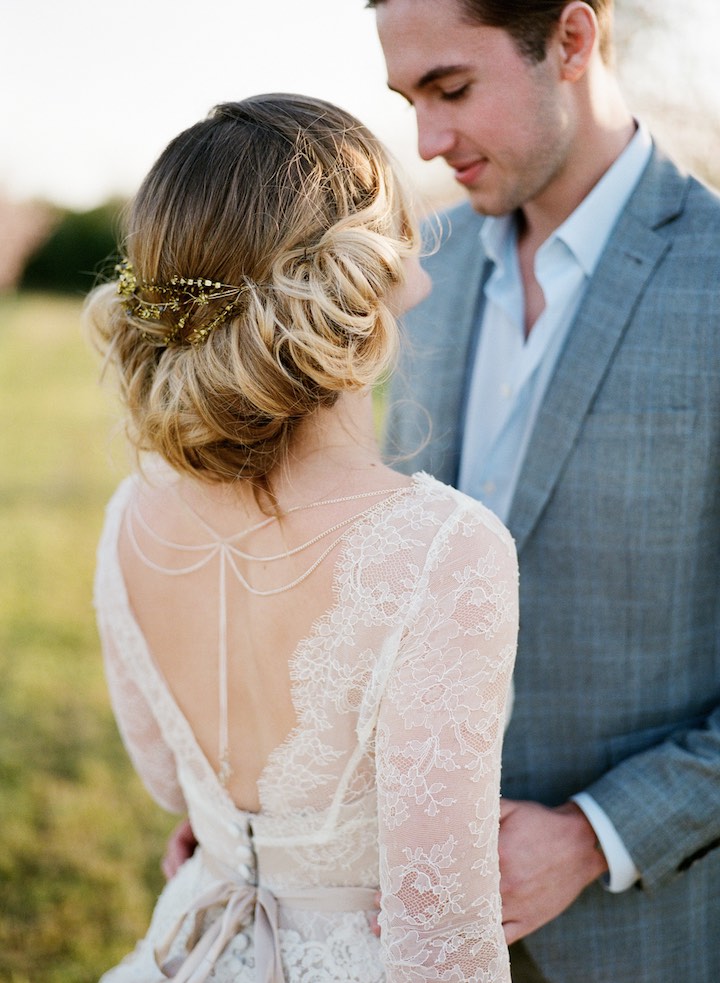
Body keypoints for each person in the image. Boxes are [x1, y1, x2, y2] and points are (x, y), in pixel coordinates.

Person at [87, 93, 519, 982]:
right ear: (371, 277)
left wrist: (241, 842)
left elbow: (174, 788)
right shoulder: (442, 549)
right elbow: (441, 933)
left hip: (188, 945)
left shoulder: (128, 518)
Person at [368, 0, 720, 981]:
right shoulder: (417, 272)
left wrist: (592, 833)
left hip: (650, 926)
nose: (429, 140)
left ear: (572, 40)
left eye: (452, 88)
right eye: (409, 100)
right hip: (416, 921)